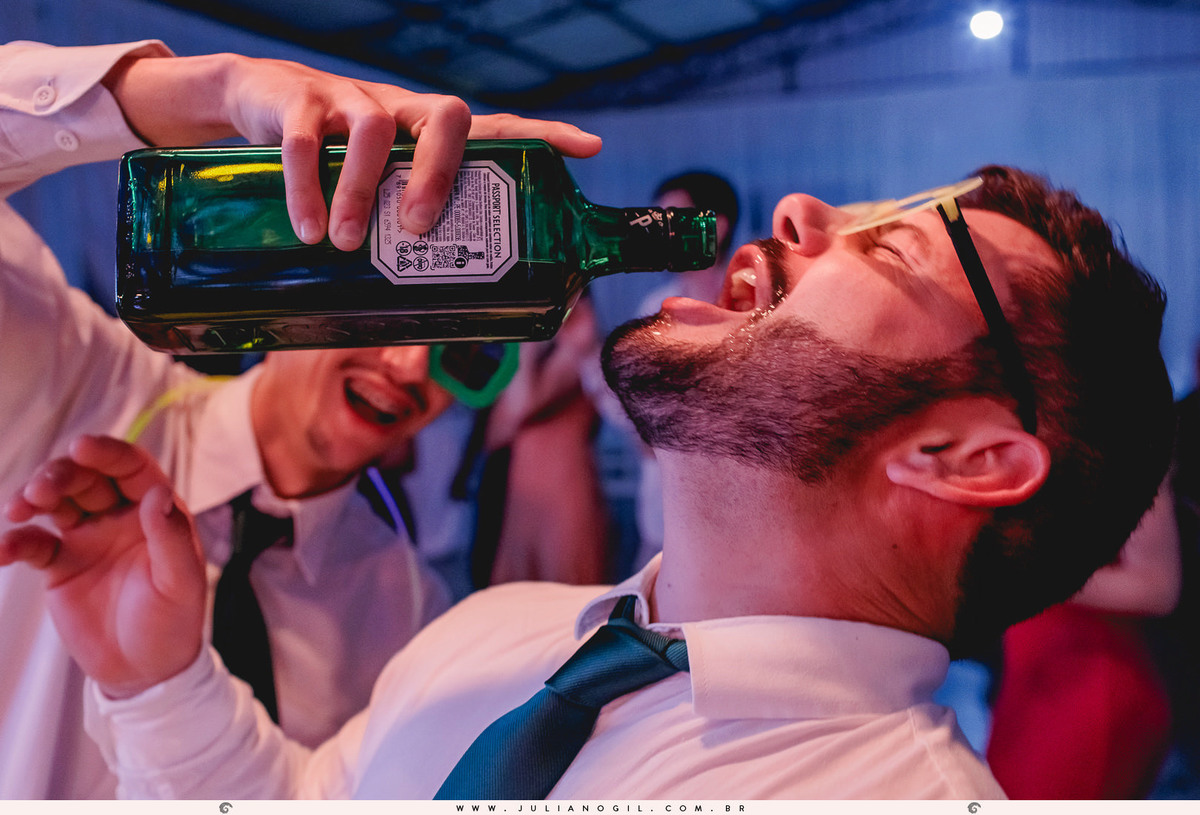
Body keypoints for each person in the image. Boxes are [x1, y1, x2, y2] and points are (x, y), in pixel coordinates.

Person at [1, 163, 1175, 798]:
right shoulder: (491, 634)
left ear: (963, 457)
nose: (798, 210)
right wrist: (154, 677)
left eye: (896, 247)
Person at [0, 38, 600, 799]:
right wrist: (217, 89)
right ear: (298, 281)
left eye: (466, 346)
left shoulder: (405, 604)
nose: (410, 368)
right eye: (387, 316)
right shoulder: (81, 383)